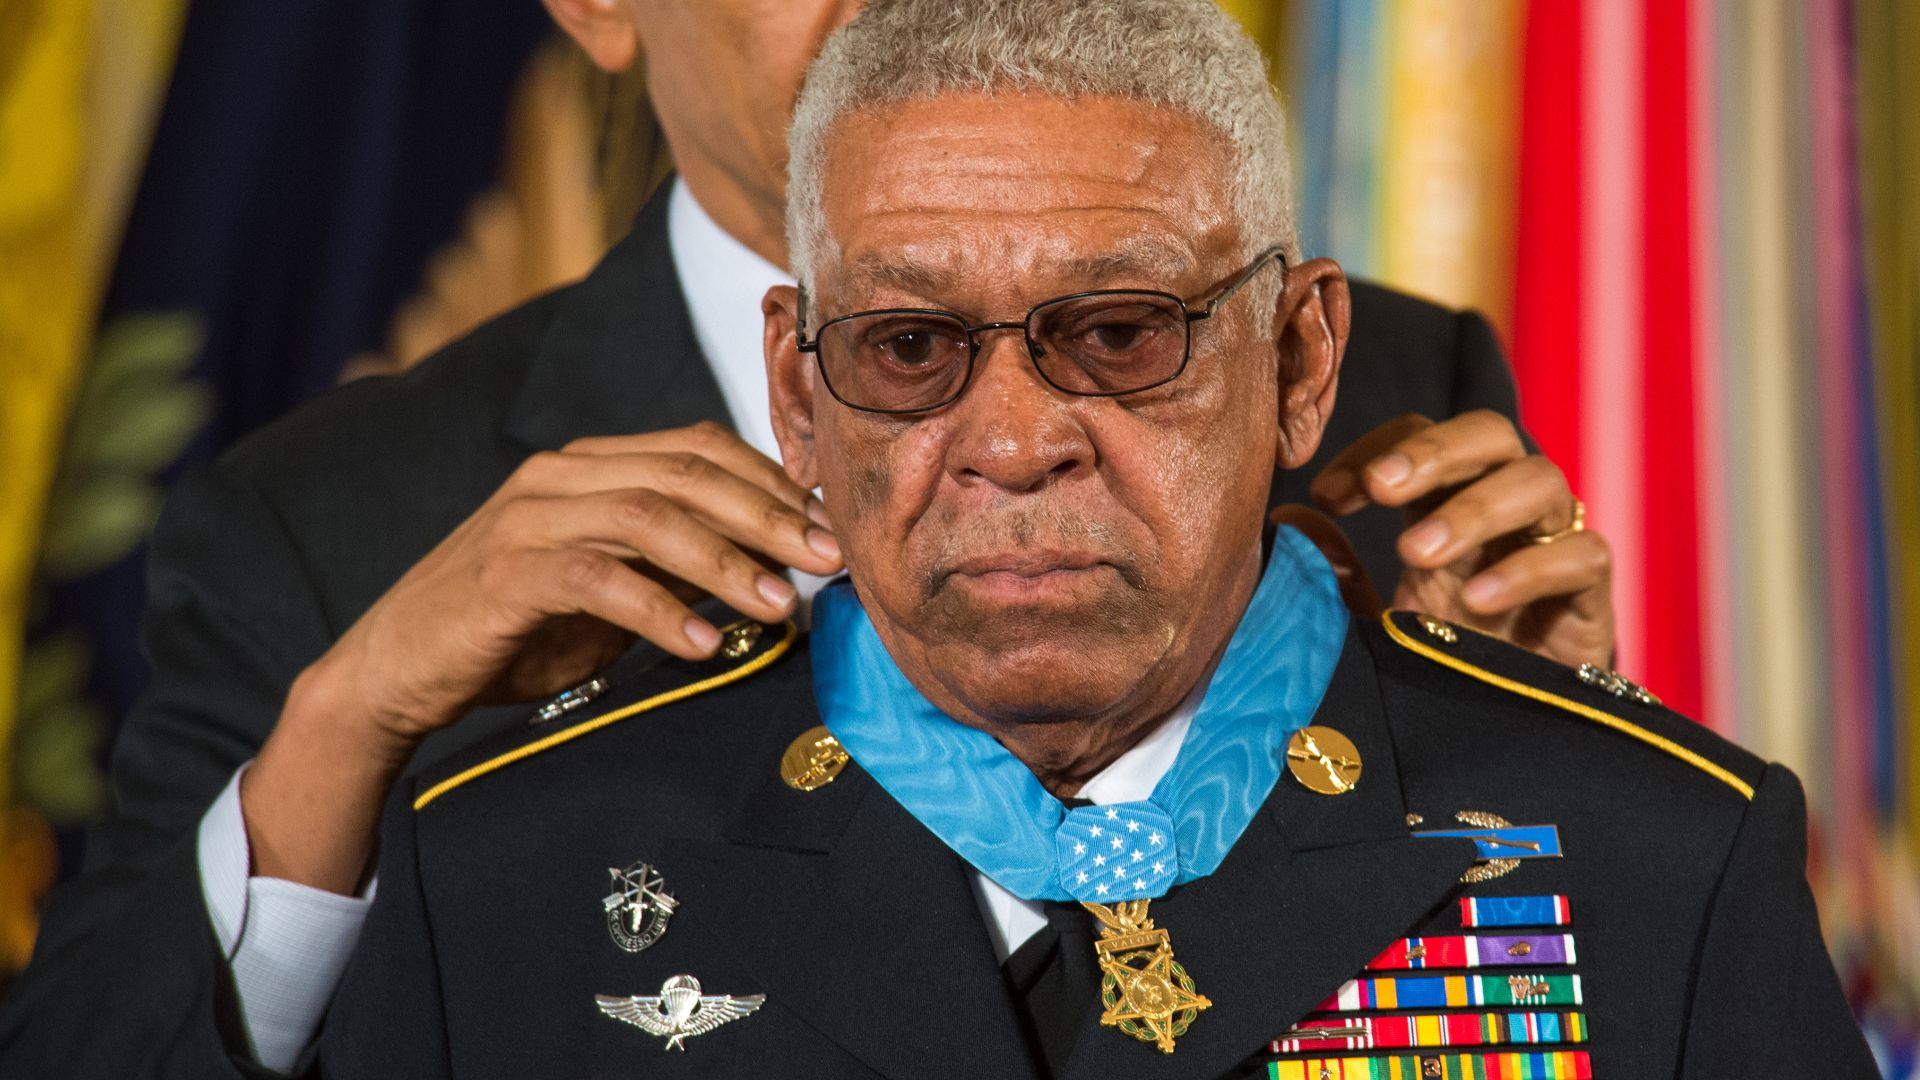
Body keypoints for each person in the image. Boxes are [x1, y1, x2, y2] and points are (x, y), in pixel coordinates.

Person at [0, 1, 1612, 1076]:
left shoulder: (1388, 381)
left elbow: (1576, 966)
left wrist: (1554, 750)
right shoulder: (332, 517)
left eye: (1120, 343)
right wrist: (342, 746)